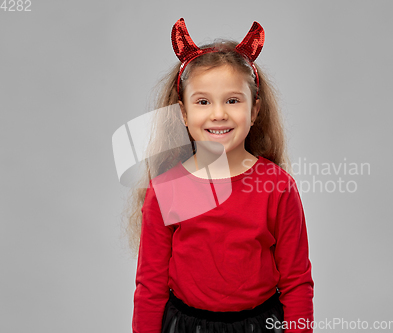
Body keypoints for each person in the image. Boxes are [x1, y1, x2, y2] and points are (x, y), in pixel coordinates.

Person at [127, 18, 314, 333]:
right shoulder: (165, 190)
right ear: (183, 113)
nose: (218, 113)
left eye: (232, 100)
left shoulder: (278, 187)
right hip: (185, 327)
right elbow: (151, 287)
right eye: (202, 101)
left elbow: (297, 283)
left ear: (254, 111)